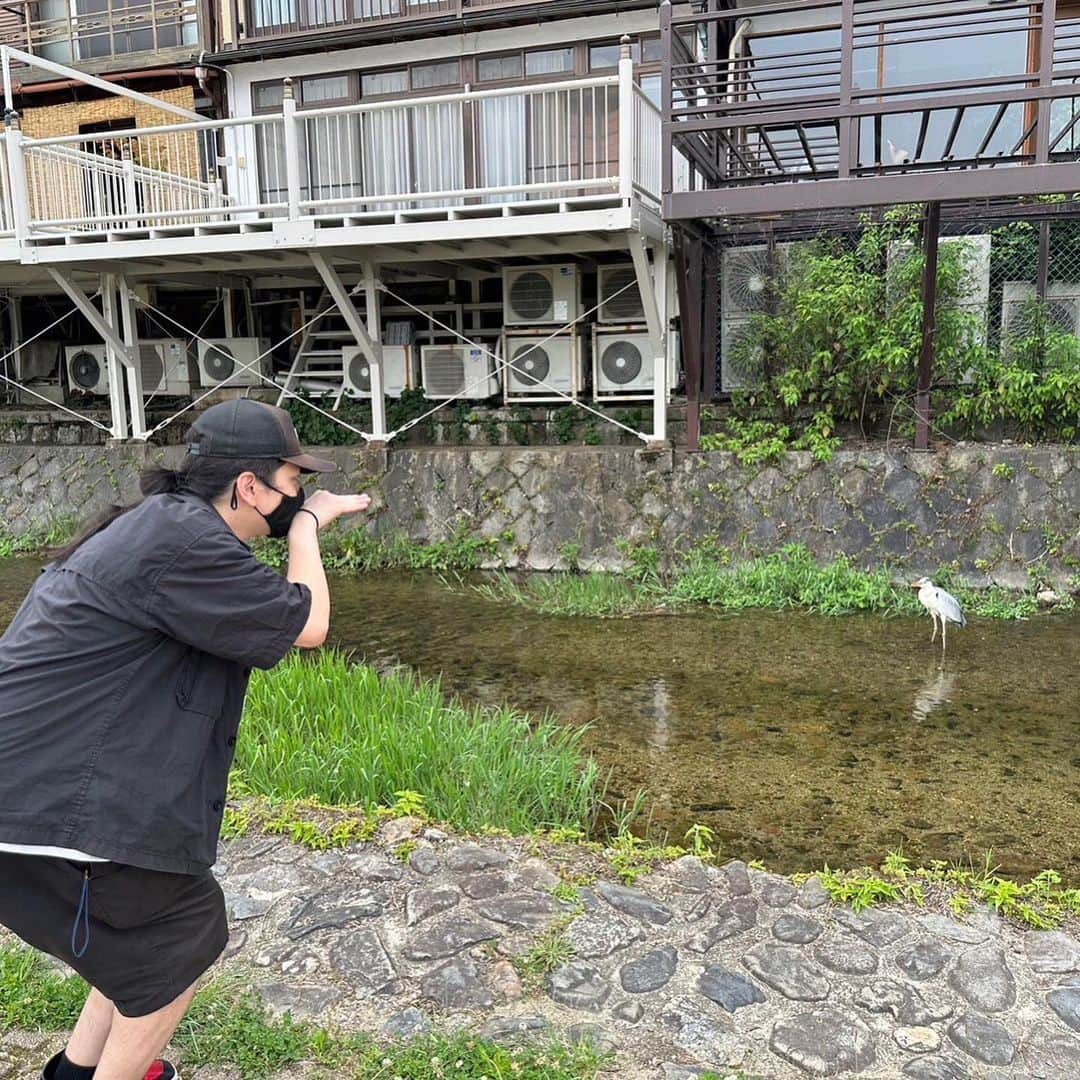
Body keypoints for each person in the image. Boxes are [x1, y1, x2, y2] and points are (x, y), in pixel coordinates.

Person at [0, 398, 370, 1080]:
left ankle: (77, 1073)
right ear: (249, 487)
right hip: (44, 802)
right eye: (292, 483)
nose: (298, 495)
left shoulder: (164, 527)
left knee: (132, 942)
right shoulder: (186, 542)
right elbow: (307, 624)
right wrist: (308, 531)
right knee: (180, 934)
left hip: (26, 792)